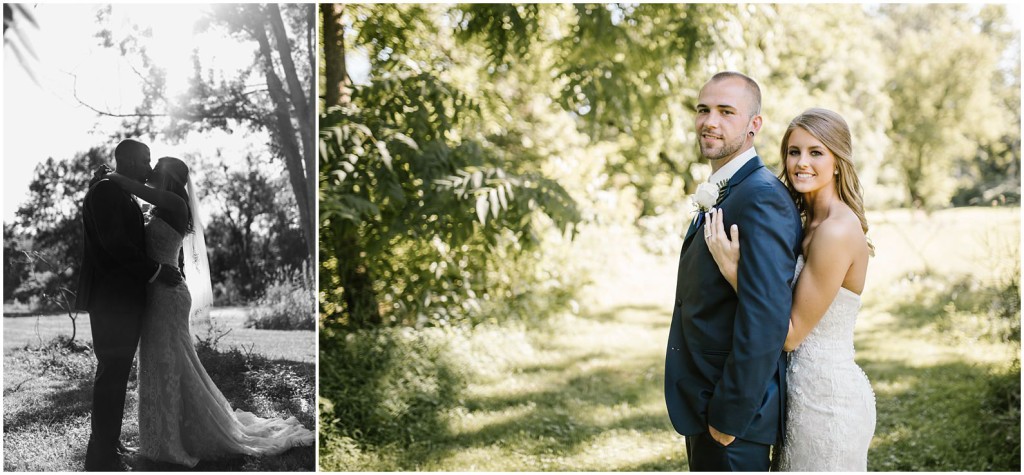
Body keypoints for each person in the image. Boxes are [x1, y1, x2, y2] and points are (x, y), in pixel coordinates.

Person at [105, 156, 313, 467]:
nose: (149, 171)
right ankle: (161, 436)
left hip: (168, 296)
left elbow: (133, 186)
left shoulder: (174, 202)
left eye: (154, 167)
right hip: (155, 294)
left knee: (167, 365)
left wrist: (111, 176)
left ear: (168, 177)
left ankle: (171, 442)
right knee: (159, 364)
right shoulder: (158, 208)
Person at [704, 107, 876, 470]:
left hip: (826, 402)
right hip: (797, 395)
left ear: (838, 161)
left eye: (816, 152)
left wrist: (735, 271)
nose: (801, 162)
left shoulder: (835, 230)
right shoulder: (803, 218)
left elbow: (792, 334)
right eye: (794, 151)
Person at [664, 72, 803, 471]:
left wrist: (729, 415)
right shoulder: (729, 188)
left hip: (733, 418)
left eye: (727, 112)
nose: (711, 121)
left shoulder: (761, 198)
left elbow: (766, 319)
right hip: (704, 401)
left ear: (753, 125)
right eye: (704, 110)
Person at [76, 139, 183, 471]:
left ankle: (110, 443)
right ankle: (101, 457)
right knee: (112, 373)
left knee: (116, 374)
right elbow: (115, 244)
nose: (149, 167)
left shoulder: (118, 190)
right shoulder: (107, 191)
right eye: (145, 159)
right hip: (113, 299)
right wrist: (154, 271)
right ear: (129, 160)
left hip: (122, 298)